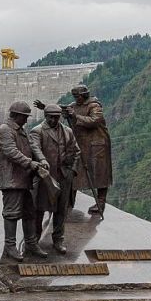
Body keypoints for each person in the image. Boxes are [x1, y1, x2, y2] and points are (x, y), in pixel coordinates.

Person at [0, 101, 48, 260]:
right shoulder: (5, 130)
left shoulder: (21, 130)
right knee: (11, 214)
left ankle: (31, 244)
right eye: (24, 117)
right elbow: (11, 152)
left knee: (29, 212)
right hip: (11, 180)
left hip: (23, 179)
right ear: (16, 115)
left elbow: (32, 147)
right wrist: (30, 163)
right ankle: (10, 246)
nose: (26, 120)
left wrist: (41, 159)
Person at [28, 104, 80, 254]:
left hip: (64, 176)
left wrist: (72, 171)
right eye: (51, 117)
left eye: (56, 117)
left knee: (61, 210)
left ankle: (58, 240)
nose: (54, 120)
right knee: (39, 209)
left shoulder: (67, 131)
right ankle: (34, 239)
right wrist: (43, 160)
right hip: (46, 177)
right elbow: (35, 148)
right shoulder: (37, 131)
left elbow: (77, 151)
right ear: (46, 116)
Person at [63, 84, 112, 216]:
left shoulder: (94, 106)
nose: (76, 99)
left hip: (97, 144)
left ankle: (101, 202)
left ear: (84, 95)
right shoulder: (73, 106)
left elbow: (94, 121)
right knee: (74, 170)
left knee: (100, 172)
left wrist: (75, 116)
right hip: (81, 144)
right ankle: (68, 200)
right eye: (74, 96)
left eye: (77, 96)